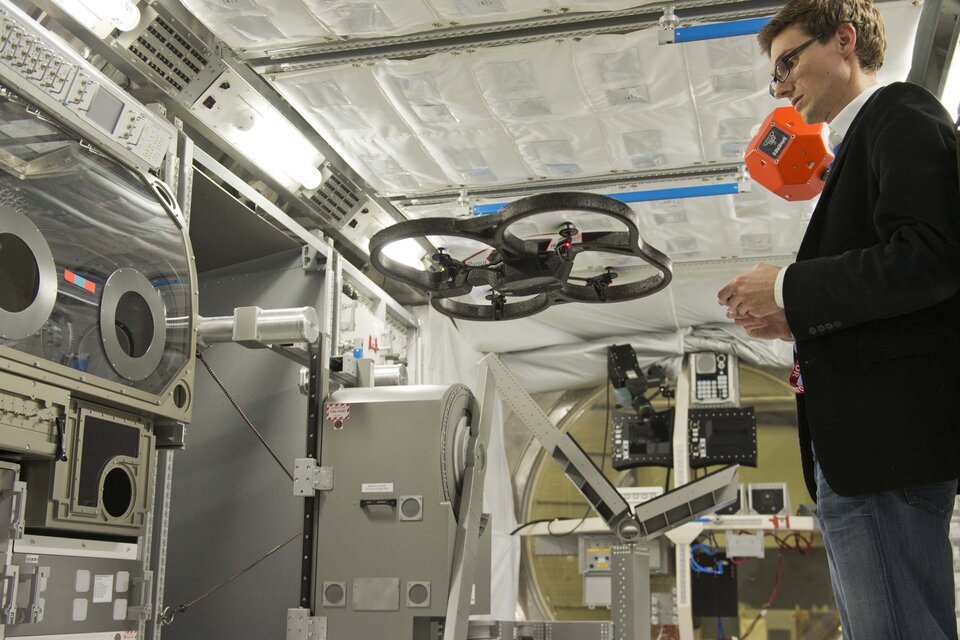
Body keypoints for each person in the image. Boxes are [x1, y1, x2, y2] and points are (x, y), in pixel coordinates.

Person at [717, 1, 960, 637]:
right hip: (867, 450)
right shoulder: (856, 149)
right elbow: (892, 293)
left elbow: (929, 258)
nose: (783, 85)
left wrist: (791, 286)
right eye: (776, 76)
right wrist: (793, 318)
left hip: (880, 443)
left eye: (789, 62)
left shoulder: (899, 112)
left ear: (845, 40)